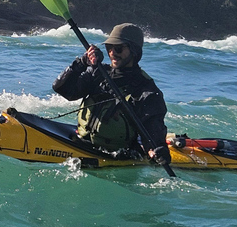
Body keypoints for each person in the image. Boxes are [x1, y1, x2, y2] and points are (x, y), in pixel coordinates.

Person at [52, 23, 171, 165]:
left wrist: (157, 151)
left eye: (119, 48)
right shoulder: (98, 73)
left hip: (120, 155)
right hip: (83, 143)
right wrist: (82, 62)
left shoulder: (147, 91)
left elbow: (153, 133)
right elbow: (62, 89)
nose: (112, 53)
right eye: (109, 48)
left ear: (134, 51)